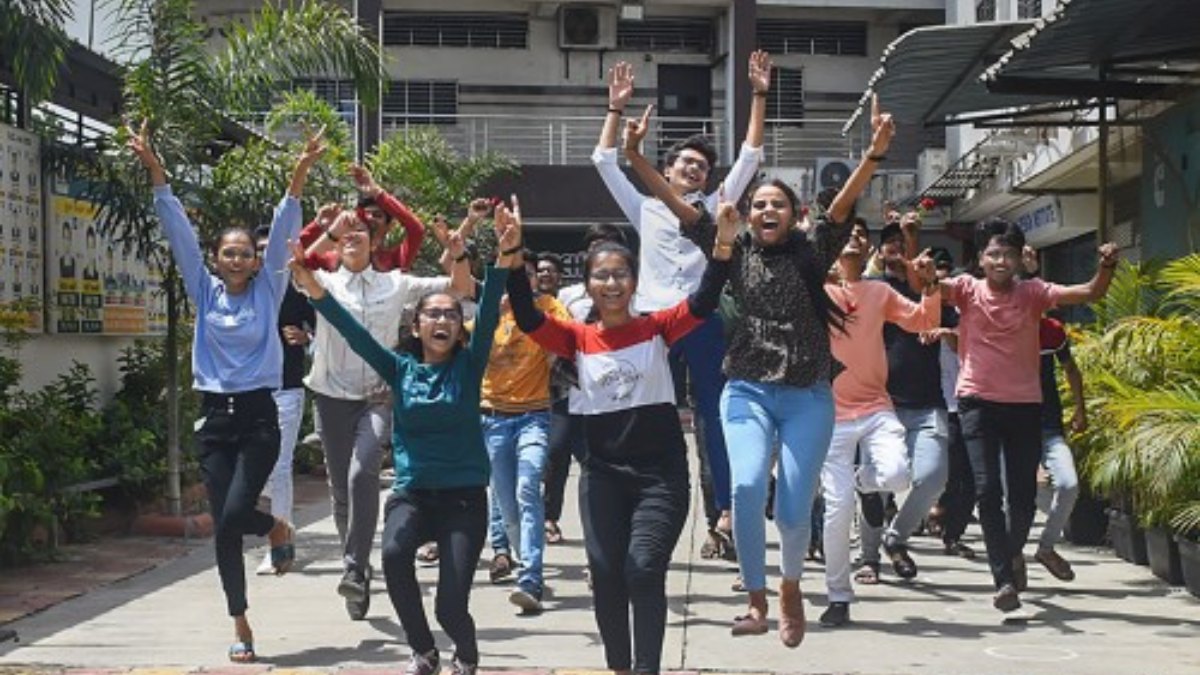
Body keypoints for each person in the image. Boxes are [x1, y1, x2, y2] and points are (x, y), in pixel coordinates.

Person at [624, 95, 895, 646]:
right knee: (747, 486)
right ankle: (756, 597)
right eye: (760, 204)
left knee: (793, 509)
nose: (768, 211)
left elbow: (842, 207)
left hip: (808, 395)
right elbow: (673, 202)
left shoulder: (812, 251)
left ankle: (790, 585)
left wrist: (872, 155)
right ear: (747, 213)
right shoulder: (731, 245)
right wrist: (634, 156)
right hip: (746, 387)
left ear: (794, 215)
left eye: (779, 205)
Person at [287, 205, 520, 675]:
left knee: (450, 606)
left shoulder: (469, 366)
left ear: (459, 327)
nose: (442, 320)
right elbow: (351, 331)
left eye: (451, 314)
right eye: (432, 314)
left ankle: (466, 655)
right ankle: (424, 651)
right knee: (394, 555)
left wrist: (505, 252)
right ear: (416, 326)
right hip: (412, 495)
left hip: (463, 499)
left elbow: (489, 306)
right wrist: (312, 286)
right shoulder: (399, 369)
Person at [507, 198, 734, 675]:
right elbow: (527, 318)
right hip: (603, 475)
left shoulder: (658, 328)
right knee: (608, 576)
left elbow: (705, 299)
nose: (611, 284)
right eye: (601, 276)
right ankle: (620, 667)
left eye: (620, 275)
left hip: (660, 476)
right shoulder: (576, 338)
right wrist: (510, 254)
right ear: (587, 284)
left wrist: (723, 246)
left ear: (634, 281)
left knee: (643, 568)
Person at [127, 120, 320, 663]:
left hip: (259, 418)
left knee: (235, 513)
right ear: (215, 259)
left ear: (257, 261)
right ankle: (240, 621)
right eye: (228, 253)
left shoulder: (269, 290)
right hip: (214, 419)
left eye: (245, 253)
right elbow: (177, 232)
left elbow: (284, 226)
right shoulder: (204, 291)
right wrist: (155, 169)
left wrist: (299, 173)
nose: (237, 259)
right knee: (225, 530)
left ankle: (274, 526)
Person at [592, 52, 772, 553]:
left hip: (702, 318)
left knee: (716, 416)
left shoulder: (713, 209)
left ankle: (724, 515)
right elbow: (604, 161)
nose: (694, 169)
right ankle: (636, 504)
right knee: (643, 410)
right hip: (652, 322)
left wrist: (759, 94)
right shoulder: (644, 206)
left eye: (702, 166)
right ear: (666, 170)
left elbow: (751, 155)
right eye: (686, 162)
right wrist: (616, 109)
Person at [935, 218, 1118, 612]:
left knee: (1022, 499)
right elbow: (930, 288)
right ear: (981, 258)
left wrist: (1106, 266)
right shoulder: (966, 289)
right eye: (993, 254)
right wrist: (920, 269)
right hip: (977, 403)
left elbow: (1091, 292)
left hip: (1024, 407)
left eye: (1009, 254)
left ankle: (1014, 552)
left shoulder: (1033, 293)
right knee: (987, 491)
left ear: (1020, 259)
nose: (1001, 261)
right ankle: (1003, 580)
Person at [302, 205, 472, 620]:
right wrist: (328, 229)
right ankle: (357, 570)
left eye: (360, 230)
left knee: (363, 472)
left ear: (374, 240)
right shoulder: (324, 281)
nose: (352, 235)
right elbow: (296, 267)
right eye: (346, 232)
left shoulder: (396, 283)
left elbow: (459, 287)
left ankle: (354, 567)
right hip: (331, 396)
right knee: (342, 492)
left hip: (377, 397)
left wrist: (458, 250)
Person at [820, 221, 940, 628]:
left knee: (898, 476)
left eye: (859, 235)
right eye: (845, 236)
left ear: (867, 247)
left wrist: (931, 286)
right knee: (837, 513)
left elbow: (922, 321)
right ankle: (838, 595)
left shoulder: (879, 291)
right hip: (830, 416)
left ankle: (862, 479)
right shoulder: (815, 290)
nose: (852, 239)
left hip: (875, 408)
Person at [856, 214, 951, 583]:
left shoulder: (932, 291)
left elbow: (956, 329)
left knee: (933, 477)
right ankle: (869, 558)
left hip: (928, 404)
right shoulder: (873, 290)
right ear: (879, 252)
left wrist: (946, 331)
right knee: (878, 486)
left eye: (904, 241)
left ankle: (895, 538)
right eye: (890, 241)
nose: (897, 246)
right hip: (881, 405)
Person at [479, 252, 571, 614]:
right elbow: (458, 342)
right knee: (505, 502)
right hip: (492, 419)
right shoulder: (487, 311)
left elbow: (565, 337)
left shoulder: (548, 307)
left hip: (534, 415)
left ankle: (531, 577)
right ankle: (521, 558)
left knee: (527, 488)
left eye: (525, 274)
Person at [253, 224, 316, 577]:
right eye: (260, 249)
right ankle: (282, 528)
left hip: (286, 388)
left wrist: (306, 338)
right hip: (246, 390)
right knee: (252, 466)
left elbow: (326, 328)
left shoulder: (299, 288)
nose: (266, 255)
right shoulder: (243, 290)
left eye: (271, 248)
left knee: (279, 465)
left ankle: (279, 545)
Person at [920, 249, 977, 560]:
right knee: (930, 470)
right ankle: (925, 512)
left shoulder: (968, 319)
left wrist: (949, 334)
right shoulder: (920, 315)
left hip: (961, 405)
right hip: (926, 404)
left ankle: (952, 533)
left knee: (966, 476)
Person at [1032, 313, 1087, 581]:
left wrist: (1080, 408)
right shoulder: (998, 326)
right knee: (1013, 497)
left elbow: (1071, 368)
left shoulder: (1051, 330)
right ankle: (1011, 561)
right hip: (1010, 428)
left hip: (1049, 426)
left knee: (1068, 485)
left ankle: (1046, 547)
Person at [299, 164, 426, 273]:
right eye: (366, 214)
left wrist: (377, 192)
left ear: (390, 226)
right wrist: (319, 226)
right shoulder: (335, 258)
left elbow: (416, 230)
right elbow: (299, 265)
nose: (370, 218)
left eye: (377, 215)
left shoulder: (394, 261)